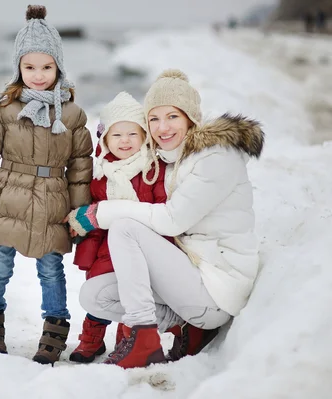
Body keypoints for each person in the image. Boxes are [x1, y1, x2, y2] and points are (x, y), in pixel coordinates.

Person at [66, 69, 264, 369]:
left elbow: (172, 221)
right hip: (191, 276)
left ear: (190, 117)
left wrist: (100, 213)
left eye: (172, 116)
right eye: (154, 119)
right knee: (95, 295)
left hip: (217, 288)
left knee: (124, 228)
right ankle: (184, 327)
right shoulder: (172, 158)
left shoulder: (216, 156)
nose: (162, 127)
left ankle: (144, 338)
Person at [0, 5, 93, 365]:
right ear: (19, 67)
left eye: (46, 67)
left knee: (51, 268)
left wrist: (80, 213)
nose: (38, 75)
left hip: (52, 199)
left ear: (59, 68)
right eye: (30, 67)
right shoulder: (5, 109)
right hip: (7, 198)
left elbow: (81, 167)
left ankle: (54, 330)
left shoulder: (71, 114)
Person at [67, 92, 171, 363]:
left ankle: (127, 339)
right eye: (117, 135)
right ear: (104, 139)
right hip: (105, 249)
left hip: (140, 247)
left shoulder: (152, 170)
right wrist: (83, 230)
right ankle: (91, 339)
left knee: (131, 294)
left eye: (132, 134)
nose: (125, 141)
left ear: (144, 137)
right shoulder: (101, 174)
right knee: (99, 289)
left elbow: (161, 208)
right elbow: (95, 212)